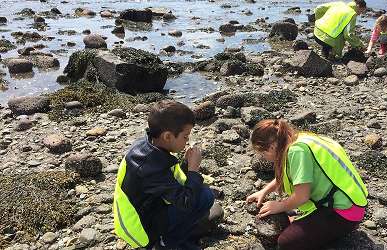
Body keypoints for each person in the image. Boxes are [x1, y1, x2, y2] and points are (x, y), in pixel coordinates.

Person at [246, 119, 368, 250]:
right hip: (352, 202)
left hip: (344, 213)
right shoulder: (298, 139)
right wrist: (264, 191)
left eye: (263, 154)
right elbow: (293, 173)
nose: (264, 158)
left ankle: (340, 229)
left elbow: (302, 197)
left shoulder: (297, 152)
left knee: (286, 242)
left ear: (271, 147)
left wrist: (279, 206)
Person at [113, 100, 219, 250]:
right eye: (185, 136)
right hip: (140, 229)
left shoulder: (149, 146)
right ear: (168, 136)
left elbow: (169, 180)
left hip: (146, 208)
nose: (187, 140)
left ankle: (173, 237)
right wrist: (193, 170)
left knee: (199, 192)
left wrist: (186, 165)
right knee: (204, 197)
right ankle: (165, 244)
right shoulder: (148, 166)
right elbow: (185, 202)